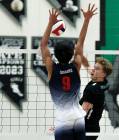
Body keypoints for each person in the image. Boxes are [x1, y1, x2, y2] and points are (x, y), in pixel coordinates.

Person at [40, 4, 97, 140]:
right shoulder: (76, 66)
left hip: (63, 120)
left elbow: (43, 45)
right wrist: (87, 20)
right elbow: (80, 44)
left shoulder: (52, 69)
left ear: (56, 54)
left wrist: (50, 23)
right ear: (72, 54)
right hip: (78, 118)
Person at [80, 57, 113, 140]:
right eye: (94, 67)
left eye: (97, 69)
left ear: (104, 74)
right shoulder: (103, 84)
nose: (93, 70)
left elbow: (83, 112)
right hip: (94, 128)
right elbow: (90, 70)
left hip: (85, 129)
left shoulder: (92, 89)